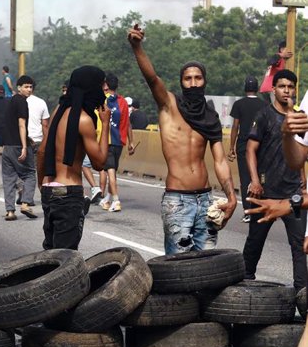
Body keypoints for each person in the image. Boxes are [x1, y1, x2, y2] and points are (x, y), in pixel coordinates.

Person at [128, 24, 236, 254]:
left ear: (204, 81)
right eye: (188, 78)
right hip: (178, 201)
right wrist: (137, 46)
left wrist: (231, 196)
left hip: (207, 200)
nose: (193, 83)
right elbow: (152, 78)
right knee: (177, 268)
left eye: (198, 78)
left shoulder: (209, 116)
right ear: (181, 82)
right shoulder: (169, 106)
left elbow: (220, 161)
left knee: (207, 267)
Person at [243, 69, 306, 291]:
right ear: (274, 89)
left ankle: (302, 296)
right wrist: (255, 181)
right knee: (254, 243)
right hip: (266, 193)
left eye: (290, 87)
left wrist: (303, 181)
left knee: (300, 248)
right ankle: (242, 286)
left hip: (293, 196)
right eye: (282, 86)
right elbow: (250, 150)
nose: (286, 90)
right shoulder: (264, 115)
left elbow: (301, 154)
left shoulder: (299, 118)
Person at [36, 66, 110, 250]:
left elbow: (42, 151)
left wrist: (41, 183)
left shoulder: (57, 112)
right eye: (101, 87)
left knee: (51, 254)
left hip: (49, 188)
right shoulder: (84, 120)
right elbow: (99, 163)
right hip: (69, 193)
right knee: (66, 258)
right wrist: (106, 123)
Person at [227, 76, 266, 222]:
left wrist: (232, 147)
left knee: (245, 179)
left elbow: (235, 127)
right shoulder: (264, 105)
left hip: (243, 145)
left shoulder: (239, 104)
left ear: (245, 88)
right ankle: (260, 208)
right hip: (260, 145)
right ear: (256, 88)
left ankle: (248, 211)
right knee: (260, 177)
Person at [97, 73, 135, 213]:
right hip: (119, 142)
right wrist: (131, 142)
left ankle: (116, 200)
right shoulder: (123, 102)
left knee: (110, 172)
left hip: (106, 142)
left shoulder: (101, 101)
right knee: (110, 170)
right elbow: (128, 124)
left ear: (106, 85)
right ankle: (107, 199)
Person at [2, 76, 38, 221]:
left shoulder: (11, 102)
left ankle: (10, 211)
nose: (29, 89)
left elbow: (10, 125)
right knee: (29, 174)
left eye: (31, 87)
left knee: (9, 179)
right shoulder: (22, 102)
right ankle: (25, 203)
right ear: (19, 87)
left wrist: (27, 138)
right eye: (26, 87)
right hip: (18, 146)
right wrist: (24, 146)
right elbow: (21, 125)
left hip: (8, 146)